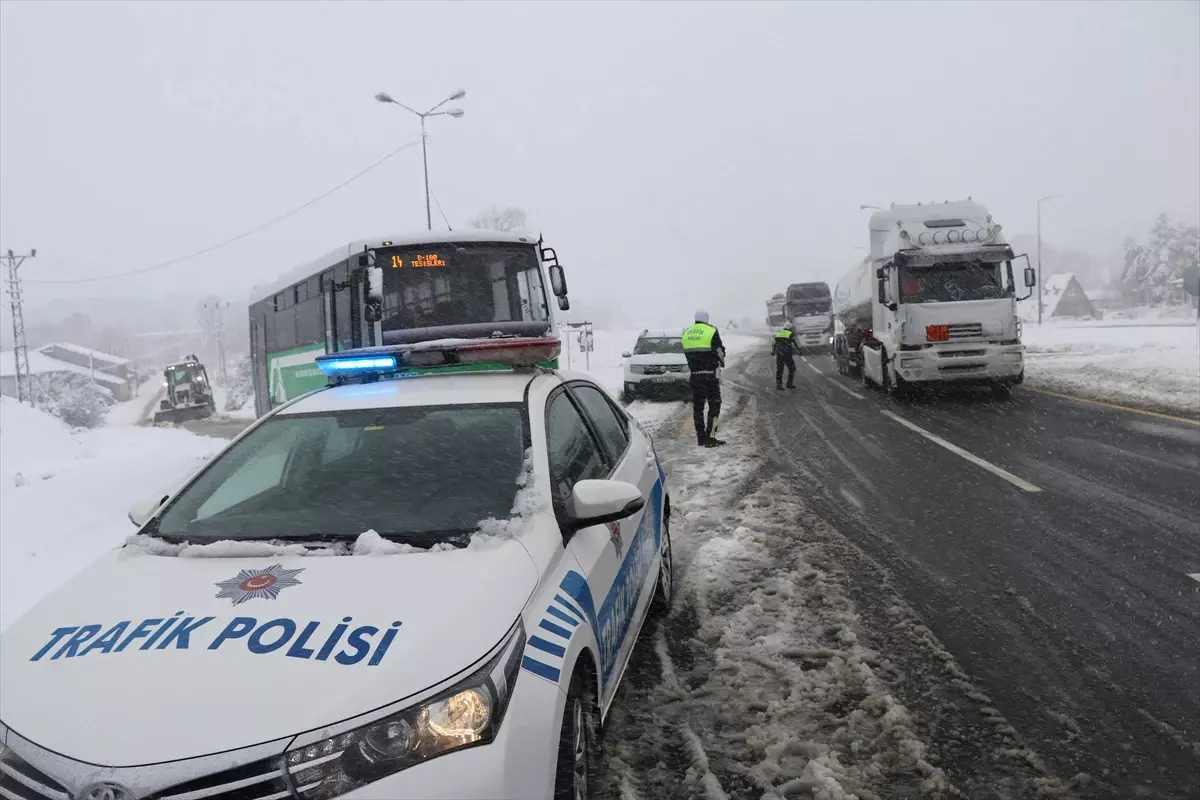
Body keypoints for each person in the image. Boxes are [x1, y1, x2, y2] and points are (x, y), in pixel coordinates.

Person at [682, 309, 726, 447]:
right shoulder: (711, 331)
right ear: (707, 318)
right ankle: (711, 437)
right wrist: (722, 359)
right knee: (715, 405)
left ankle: (700, 438)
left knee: (698, 408)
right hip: (710, 376)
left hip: (695, 376)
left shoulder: (687, 332)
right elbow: (719, 351)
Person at [772, 323, 800, 389]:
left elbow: (775, 344)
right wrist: (799, 351)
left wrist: (773, 351)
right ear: (790, 328)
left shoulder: (779, 333)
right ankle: (789, 384)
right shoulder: (790, 334)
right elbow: (795, 343)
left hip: (779, 354)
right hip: (787, 354)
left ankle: (779, 385)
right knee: (792, 369)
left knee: (779, 370)